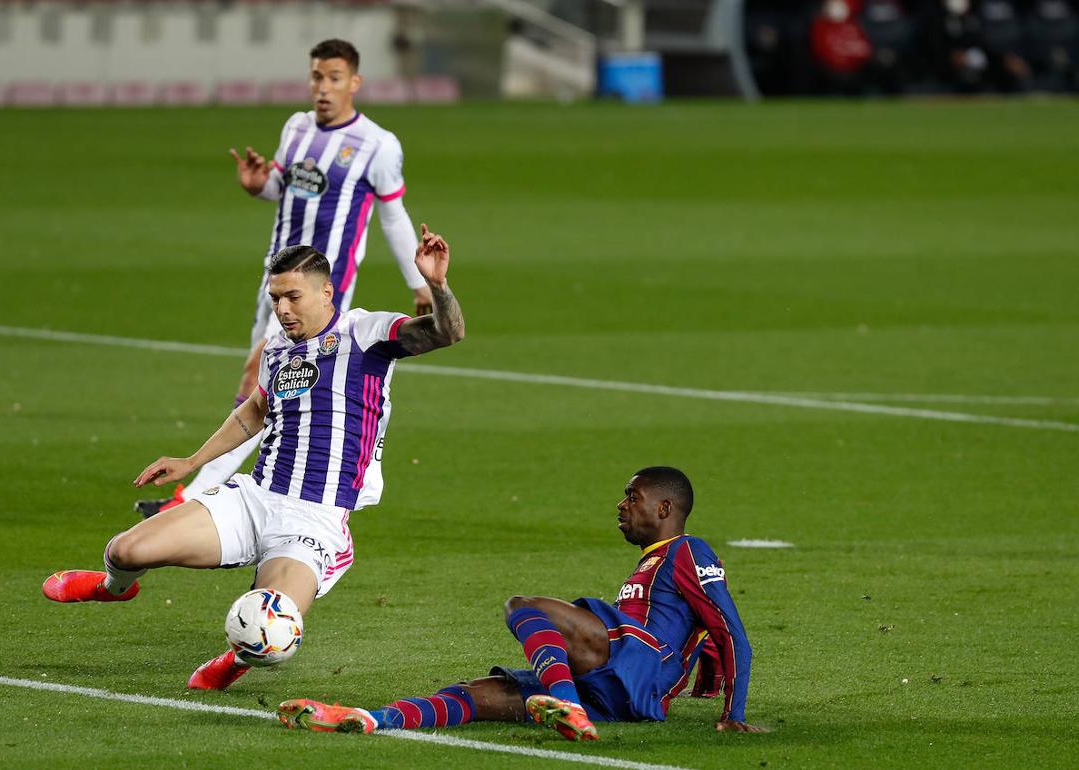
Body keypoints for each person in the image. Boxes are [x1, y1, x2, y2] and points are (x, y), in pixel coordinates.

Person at [42, 226, 465, 690]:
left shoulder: (365, 333)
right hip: (255, 498)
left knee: (273, 628)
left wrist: (438, 287)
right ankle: (113, 589)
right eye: (275, 297)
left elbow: (446, 332)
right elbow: (256, 411)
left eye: (293, 297)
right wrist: (191, 461)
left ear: (327, 292)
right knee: (125, 550)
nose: (282, 309)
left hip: (313, 520)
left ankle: (238, 657)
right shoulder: (278, 349)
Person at [136, 38, 433, 516]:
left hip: (313, 291)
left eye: (334, 78)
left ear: (354, 82)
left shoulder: (377, 144)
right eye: (316, 76)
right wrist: (260, 186)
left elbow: (393, 215)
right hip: (274, 279)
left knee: (261, 375)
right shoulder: (296, 127)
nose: (323, 87)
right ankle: (209, 492)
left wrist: (417, 283)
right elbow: (287, 186)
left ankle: (191, 498)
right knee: (260, 385)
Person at [277, 467, 769, 741]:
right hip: (620, 690)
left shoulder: (687, 549)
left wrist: (734, 710)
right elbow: (703, 636)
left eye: (632, 496)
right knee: (476, 694)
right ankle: (372, 719)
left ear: (664, 509)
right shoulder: (654, 565)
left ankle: (569, 706)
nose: (621, 505)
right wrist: (706, 687)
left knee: (524, 605)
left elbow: (728, 628)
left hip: (634, 660)